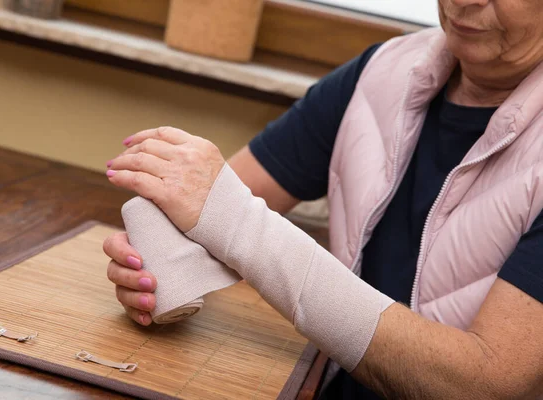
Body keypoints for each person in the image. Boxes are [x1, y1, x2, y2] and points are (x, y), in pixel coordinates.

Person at [102, 0, 543, 398]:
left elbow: (489, 385)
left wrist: (229, 222)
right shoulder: (383, 72)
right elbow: (208, 211)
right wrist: (156, 267)